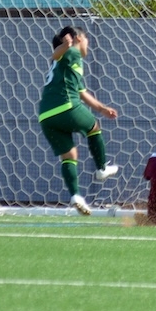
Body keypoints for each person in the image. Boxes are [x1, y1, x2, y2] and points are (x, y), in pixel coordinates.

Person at [38, 25, 119, 216]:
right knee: (94, 127)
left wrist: (102, 108)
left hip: (46, 116)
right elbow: (54, 55)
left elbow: (82, 92)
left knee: (69, 155)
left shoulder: (66, 66)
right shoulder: (72, 53)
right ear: (79, 38)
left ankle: (75, 195)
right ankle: (102, 168)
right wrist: (65, 46)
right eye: (87, 39)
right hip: (66, 107)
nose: (88, 44)